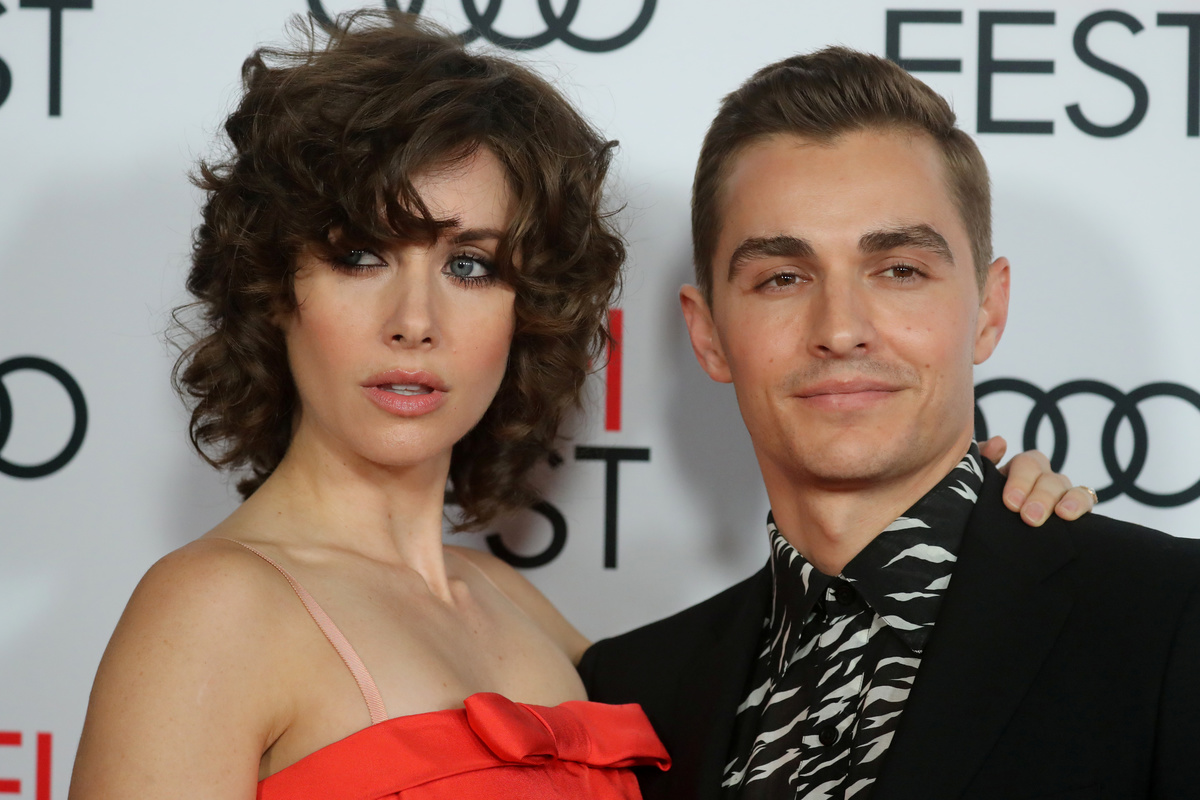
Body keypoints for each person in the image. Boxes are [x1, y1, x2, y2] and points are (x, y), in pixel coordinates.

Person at [69, 14, 1092, 800]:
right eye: (360, 256)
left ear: (527, 309)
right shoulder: (212, 610)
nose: (414, 321)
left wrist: (993, 537)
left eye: (471, 264)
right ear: (273, 287)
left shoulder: (537, 623)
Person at [579, 46, 1200, 800]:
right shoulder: (633, 691)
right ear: (707, 333)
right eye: (782, 277)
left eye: (900, 270)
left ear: (989, 309)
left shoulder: (1170, 620)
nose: (841, 330)